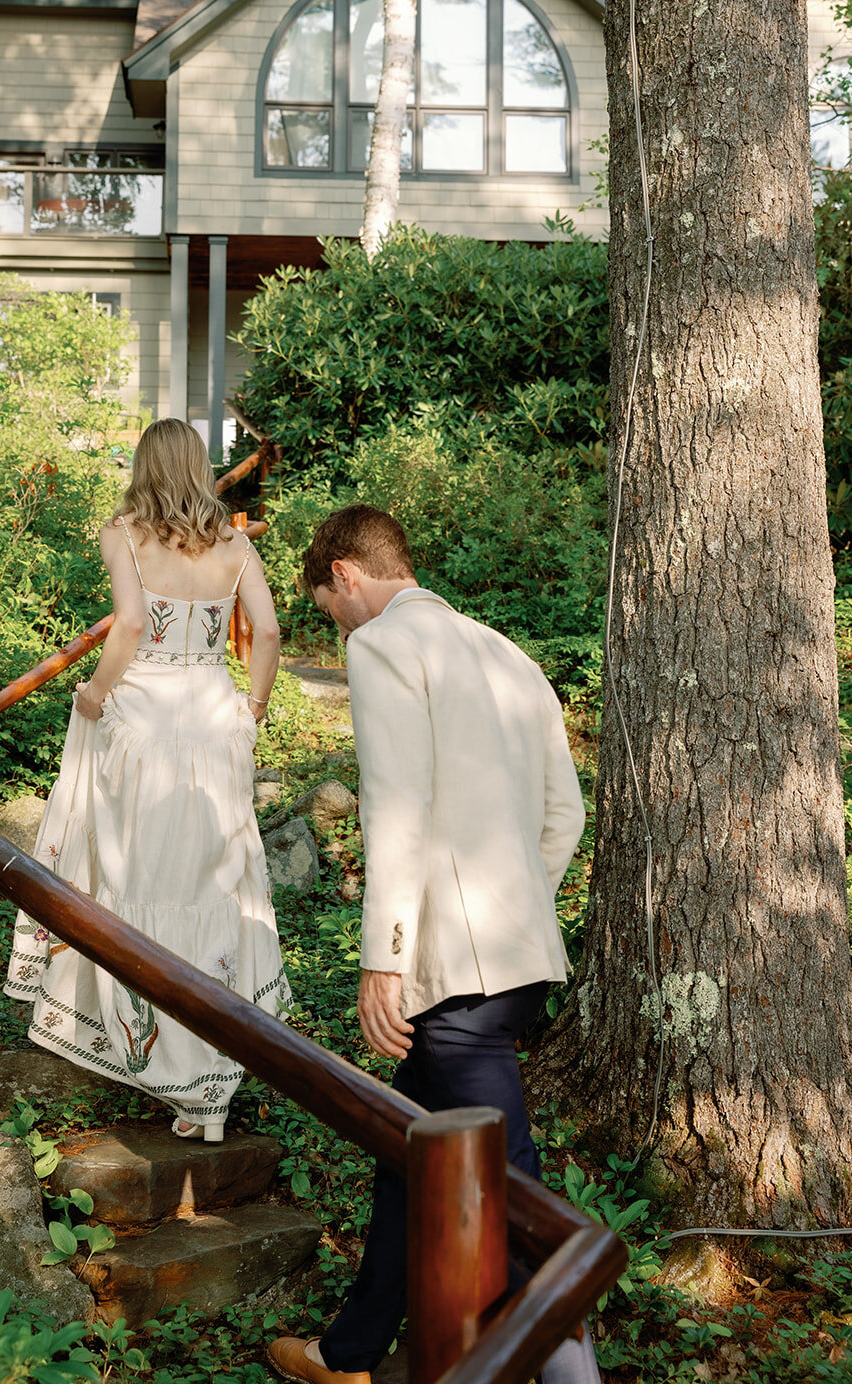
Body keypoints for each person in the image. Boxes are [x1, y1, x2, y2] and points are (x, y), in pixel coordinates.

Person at [268, 504, 600, 1384]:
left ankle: (569, 1372)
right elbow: (563, 815)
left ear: (344, 573)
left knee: (508, 1185)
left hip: (449, 976)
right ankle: (349, 1354)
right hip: (516, 957)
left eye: (326, 607)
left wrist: (383, 960)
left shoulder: (383, 648)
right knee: (404, 1152)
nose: (332, 626)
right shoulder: (505, 652)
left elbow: (397, 815)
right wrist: (516, 903)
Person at [5, 418, 290, 1142]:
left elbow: (129, 625)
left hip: (143, 719)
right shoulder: (232, 540)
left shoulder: (124, 532)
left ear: (143, 464)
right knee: (210, 882)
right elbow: (269, 630)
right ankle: (207, 1085)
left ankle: (146, 1052)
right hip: (213, 719)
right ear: (197, 466)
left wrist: (96, 692)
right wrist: (250, 707)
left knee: (138, 875)